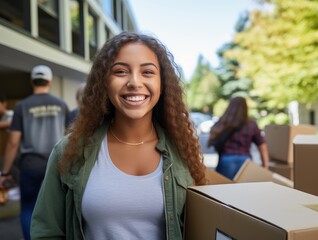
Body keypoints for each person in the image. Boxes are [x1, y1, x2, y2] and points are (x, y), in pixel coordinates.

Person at [30, 32, 207, 240]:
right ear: (104, 82)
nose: (134, 82)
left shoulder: (183, 150)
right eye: (121, 71)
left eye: (147, 72)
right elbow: (46, 232)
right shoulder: (70, 151)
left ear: (163, 84)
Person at [0, 65, 70, 240]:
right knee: (57, 208)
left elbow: (13, 142)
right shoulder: (61, 104)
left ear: (32, 82)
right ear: (50, 81)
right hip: (57, 164)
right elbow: (70, 136)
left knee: (28, 208)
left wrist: (5, 172)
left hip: (30, 165)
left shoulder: (22, 106)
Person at [208, 96, 269, 179]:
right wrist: (265, 165)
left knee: (224, 188)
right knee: (243, 190)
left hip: (226, 159)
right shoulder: (251, 124)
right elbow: (262, 145)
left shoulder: (223, 122)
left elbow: (213, 136)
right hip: (246, 161)